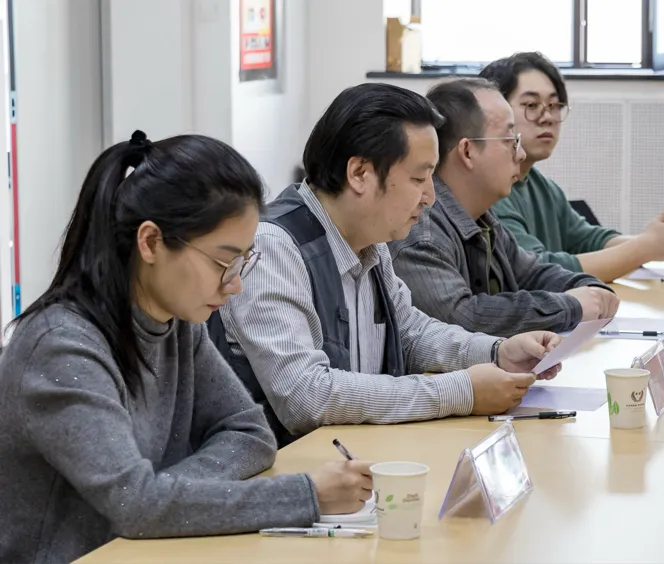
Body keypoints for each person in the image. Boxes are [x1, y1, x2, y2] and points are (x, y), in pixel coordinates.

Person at [0, 131, 372, 563]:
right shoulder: (61, 348)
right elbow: (135, 505)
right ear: (150, 242)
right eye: (223, 262)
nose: (235, 284)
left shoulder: (175, 322)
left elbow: (250, 432)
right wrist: (305, 495)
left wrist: (167, 496)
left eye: (243, 261)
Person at [215, 83, 563, 446]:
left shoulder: (369, 240)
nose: (430, 197)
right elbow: (307, 396)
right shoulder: (273, 248)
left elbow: (409, 332)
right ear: (360, 173)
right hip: (289, 469)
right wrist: (462, 391)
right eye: (419, 178)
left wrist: (496, 352)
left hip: (351, 459)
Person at [388, 78, 618, 338]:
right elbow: (462, 317)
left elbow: (532, 273)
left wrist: (588, 288)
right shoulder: (421, 228)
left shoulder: (483, 219)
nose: (520, 154)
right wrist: (570, 305)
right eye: (510, 140)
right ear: (467, 151)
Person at [479, 52, 664, 283]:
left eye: (554, 105)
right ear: (495, 112)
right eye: (531, 105)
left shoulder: (543, 186)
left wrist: (662, 239)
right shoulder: (489, 191)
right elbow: (538, 271)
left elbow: (588, 240)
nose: (547, 117)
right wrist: (645, 247)